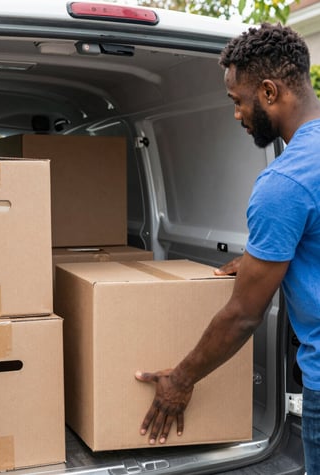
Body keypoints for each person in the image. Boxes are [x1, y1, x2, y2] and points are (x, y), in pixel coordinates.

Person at [135, 22, 320, 474]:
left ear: (270, 92)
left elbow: (243, 315)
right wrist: (269, 262)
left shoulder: (284, 182)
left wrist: (180, 381)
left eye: (238, 101)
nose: (236, 115)